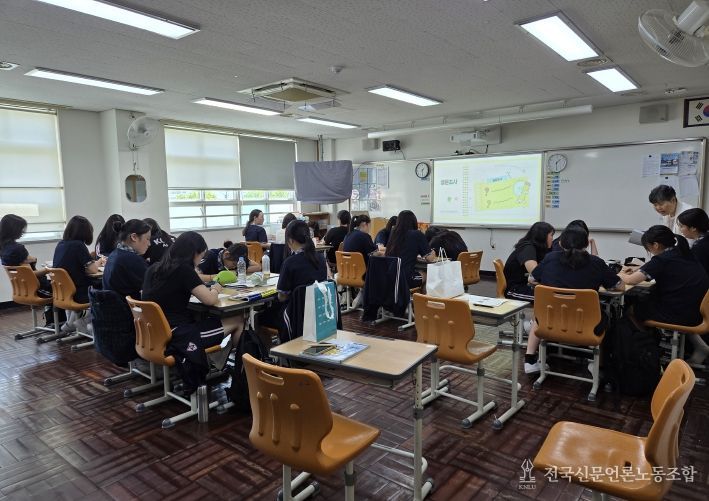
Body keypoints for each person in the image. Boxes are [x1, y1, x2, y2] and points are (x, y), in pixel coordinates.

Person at [523, 226, 625, 373]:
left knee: (540, 313)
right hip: (586, 325)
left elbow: (532, 279)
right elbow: (620, 286)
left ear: (561, 243)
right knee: (607, 314)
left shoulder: (550, 258)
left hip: (549, 322)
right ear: (586, 244)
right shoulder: (596, 262)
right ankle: (598, 366)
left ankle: (530, 360)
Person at [141, 231, 244, 368]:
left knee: (202, 317)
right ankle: (241, 370)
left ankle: (216, 363)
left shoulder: (154, 268)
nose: (200, 261)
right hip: (177, 336)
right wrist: (217, 286)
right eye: (201, 256)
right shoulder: (184, 270)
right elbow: (210, 300)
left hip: (152, 334)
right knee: (238, 320)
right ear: (195, 253)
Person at [620, 225, 709, 365]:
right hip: (696, 311)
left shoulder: (662, 260)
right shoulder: (683, 252)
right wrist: (641, 269)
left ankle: (646, 348)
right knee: (646, 299)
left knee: (630, 310)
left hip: (678, 313)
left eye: (648, 247)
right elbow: (660, 267)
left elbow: (630, 280)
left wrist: (619, 274)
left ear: (655, 245)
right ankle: (701, 346)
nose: (649, 251)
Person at [53, 215, 102, 305]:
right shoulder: (78, 245)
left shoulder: (61, 244)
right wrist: (99, 262)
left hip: (62, 292)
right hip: (78, 293)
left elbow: (75, 267)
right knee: (106, 284)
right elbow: (94, 270)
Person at [0, 214, 51, 297]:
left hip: (23, 289)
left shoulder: (3, 249)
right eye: (20, 228)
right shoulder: (18, 249)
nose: (22, 232)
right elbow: (30, 274)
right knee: (66, 288)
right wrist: (48, 269)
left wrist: (31, 260)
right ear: (14, 229)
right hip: (38, 288)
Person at [503, 222, 555, 301]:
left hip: (527, 285)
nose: (552, 239)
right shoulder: (527, 248)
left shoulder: (538, 248)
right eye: (551, 235)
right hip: (515, 289)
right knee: (551, 298)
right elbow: (535, 273)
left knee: (555, 295)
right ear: (543, 236)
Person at [102, 219, 151, 301]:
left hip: (111, 306)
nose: (149, 244)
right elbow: (151, 286)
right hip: (127, 307)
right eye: (147, 239)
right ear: (134, 237)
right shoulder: (133, 260)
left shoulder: (114, 254)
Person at [385, 210, 435, 288]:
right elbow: (430, 258)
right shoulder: (417, 234)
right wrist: (433, 251)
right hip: (406, 279)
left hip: (389, 277)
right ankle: (420, 296)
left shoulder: (393, 233)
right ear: (414, 221)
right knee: (428, 274)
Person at [678, 208, 709, 275]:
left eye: (681, 226)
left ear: (693, 228)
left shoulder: (699, 248)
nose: (680, 229)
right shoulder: (705, 239)